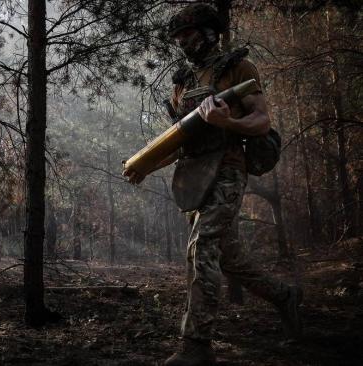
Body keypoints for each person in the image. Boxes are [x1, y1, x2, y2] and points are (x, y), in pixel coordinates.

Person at [123, 4, 303, 366]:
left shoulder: (238, 68)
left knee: (202, 245)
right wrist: (147, 166)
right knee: (228, 256)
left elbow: (261, 122)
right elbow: (180, 141)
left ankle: (196, 345)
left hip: (228, 167)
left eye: (187, 35)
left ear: (208, 32)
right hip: (194, 174)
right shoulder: (183, 82)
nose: (182, 43)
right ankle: (285, 296)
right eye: (177, 38)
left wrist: (227, 124)